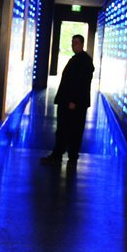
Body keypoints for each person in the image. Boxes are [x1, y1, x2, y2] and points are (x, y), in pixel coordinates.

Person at [41, 34, 94, 166]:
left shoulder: (83, 61)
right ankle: (64, 155)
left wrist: (73, 101)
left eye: (76, 43)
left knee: (70, 129)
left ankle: (64, 155)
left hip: (73, 103)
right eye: (72, 42)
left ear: (82, 44)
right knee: (67, 129)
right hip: (70, 101)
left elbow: (81, 84)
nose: (73, 45)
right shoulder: (79, 59)